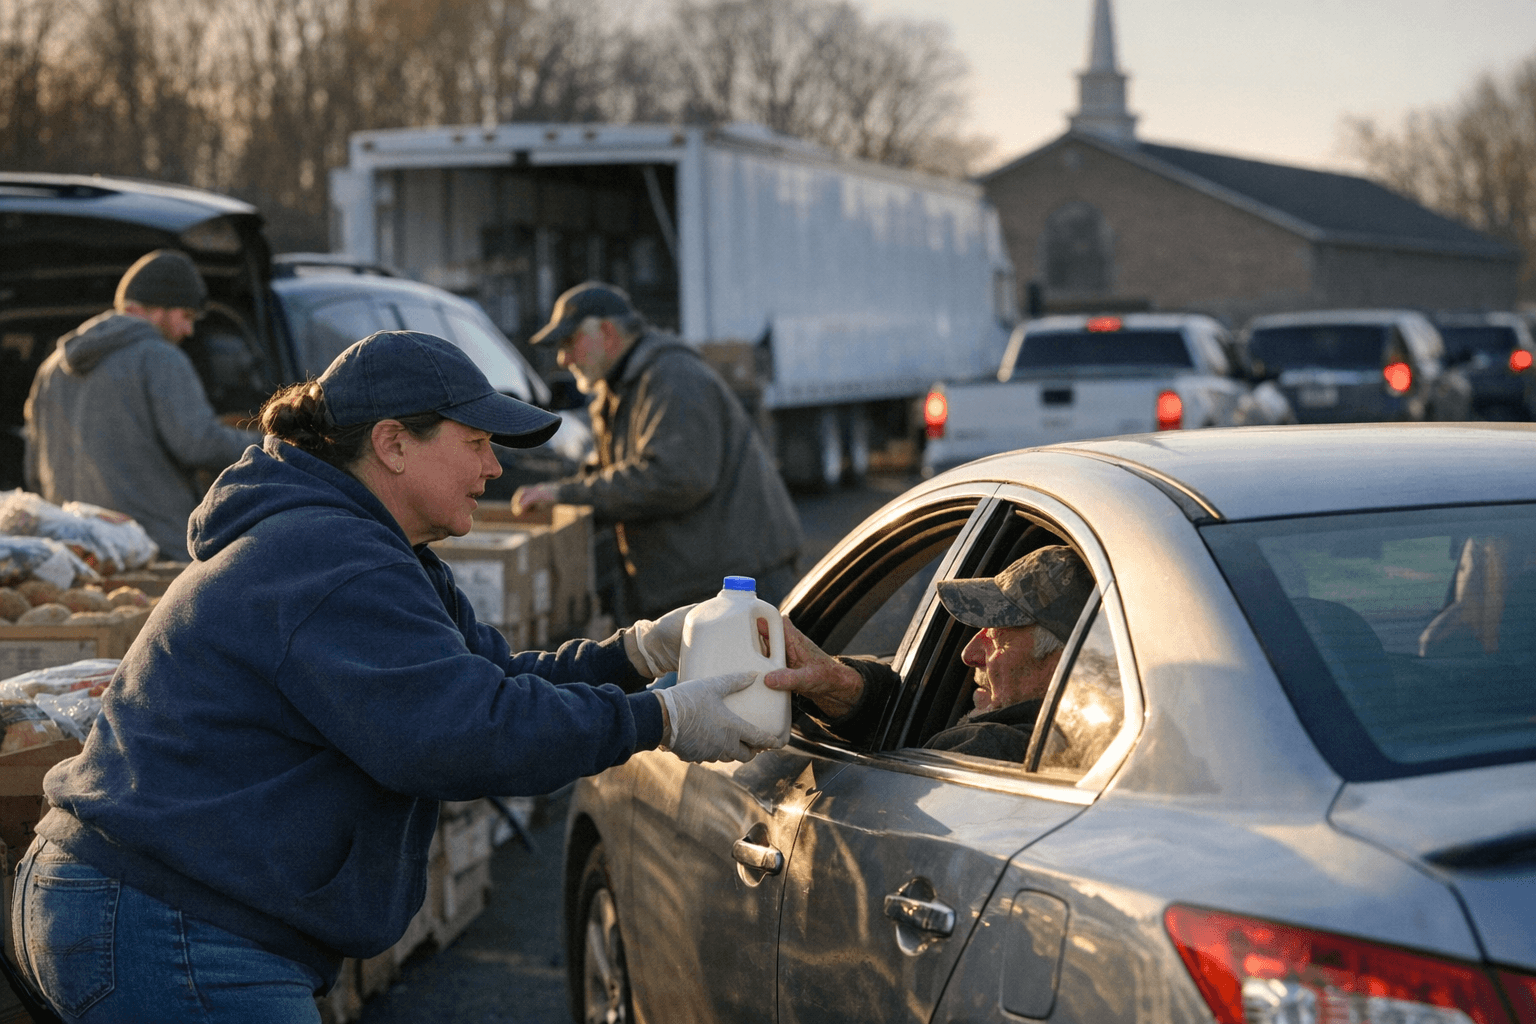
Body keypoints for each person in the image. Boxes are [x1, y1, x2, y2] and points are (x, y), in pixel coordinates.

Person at [11, 330, 781, 1022]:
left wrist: (638, 652)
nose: (494, 466)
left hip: (160, 908)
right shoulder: (331, 562)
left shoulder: (377, 552)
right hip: (168, 921)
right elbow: (464, 734)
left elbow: (492, 678)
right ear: (393, 443)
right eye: (476, 440)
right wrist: (663, 721)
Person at [510, 281, 803, 623]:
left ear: (606, 332)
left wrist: (565, 495)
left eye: (570, 342)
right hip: (704, 591)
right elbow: (615, 475)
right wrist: (559, 495)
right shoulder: (620, 387)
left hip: (736, 592)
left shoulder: (672, 377)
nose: (563, 358)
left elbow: (676, 478)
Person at [23, 248, 261, 561]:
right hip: (154, 551)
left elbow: (34, 472)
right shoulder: (160, 356)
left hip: (80, 556)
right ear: (152, 309)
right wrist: (267, 445)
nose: (189, 331)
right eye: (186, 316)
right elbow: (197, 443)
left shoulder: (51, 369)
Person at [765, 546, 1094, 760]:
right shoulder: (1094, 745)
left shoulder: (985, 746)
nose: (969, 654)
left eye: (997, 636)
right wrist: (840, 684)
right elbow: (912, 715)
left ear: (1062, 663)